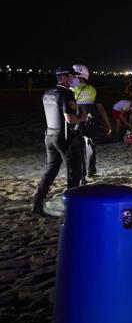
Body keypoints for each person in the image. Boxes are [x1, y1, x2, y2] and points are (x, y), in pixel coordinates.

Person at [32, 66, 86, 216]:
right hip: (65, 138)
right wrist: (82, 117)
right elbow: (70, 119)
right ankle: (71, 210)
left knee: (50, 171)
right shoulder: (66, 94)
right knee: (74, 173)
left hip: (49, 135)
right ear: (64, 77)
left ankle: (37, 204)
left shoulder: (48, 93)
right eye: (71, 76)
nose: (73, 79)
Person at [70, 64, 112, 182]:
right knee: (90, 146)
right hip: (91, 121)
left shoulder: (70, 89)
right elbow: (101, 108)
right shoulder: (92, 90)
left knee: (77, 148)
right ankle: (91, 170)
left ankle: (81, 173)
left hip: (75, 123)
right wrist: (108, 124)